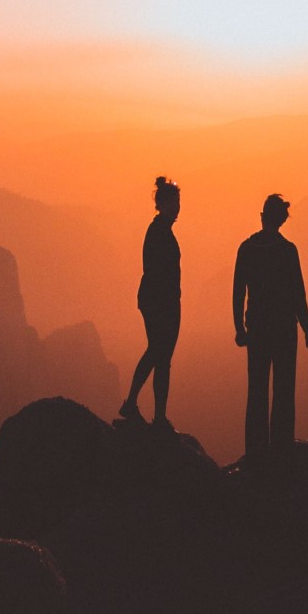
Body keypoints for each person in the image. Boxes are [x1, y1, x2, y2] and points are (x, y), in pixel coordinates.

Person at [233, 193, 308, 460]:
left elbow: (238, 292)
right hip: (284, 330)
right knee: (283, 390)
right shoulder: (288, 251)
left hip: (257, 329)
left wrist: (239, 328)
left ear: (262, 216)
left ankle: (255, 452)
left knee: (256, 391)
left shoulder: (247, 249)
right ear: (281, 220)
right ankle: (281, 449)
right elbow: (297, 293)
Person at [121, 177, 181, 431]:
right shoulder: (159, 232)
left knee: (159, 353)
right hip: (160, 302)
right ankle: (152, 413)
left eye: (178, 202)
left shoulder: (160, 230)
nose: (178, 207)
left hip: (157, 300)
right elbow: (155, 270)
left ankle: (145, 409)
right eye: (174, 202)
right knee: (160, 353)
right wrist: (166, 302)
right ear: (163, 204)